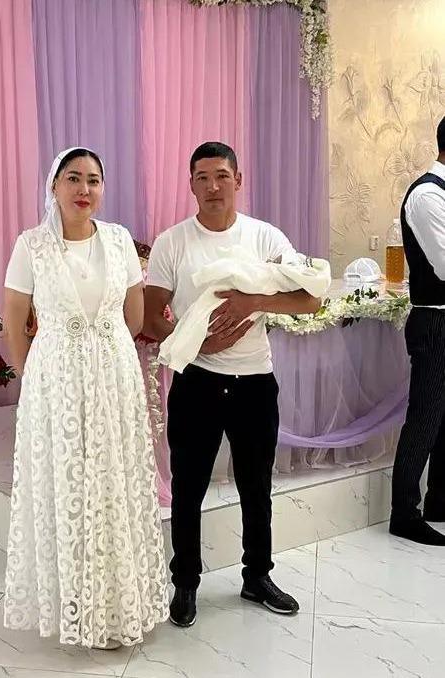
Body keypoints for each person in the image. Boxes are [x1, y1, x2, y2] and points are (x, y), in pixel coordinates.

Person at [143, 141, 321, 627]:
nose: (213, 186)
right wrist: (196, 342)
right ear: (191, 185)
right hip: (196, 381)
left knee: (256, 486)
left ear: (238, 180)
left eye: (222, 175)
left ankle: (257, 576)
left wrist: (251, 302)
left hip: (254, 382)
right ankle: (185, 583)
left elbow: (310, 300)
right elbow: (149, 316)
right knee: (188, 488)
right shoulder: (173, 243)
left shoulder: (264, 237)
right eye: (202, 177)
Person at [2, 147, 169, 649]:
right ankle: (75, 607)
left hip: (114, 379)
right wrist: (37, 378)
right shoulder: (31, 245)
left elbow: (133, 316)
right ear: (54, 187)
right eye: (73, 178)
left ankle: (117, 606)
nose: (84, 189)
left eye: (93, 180)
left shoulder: (118, 240)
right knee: (68, 485)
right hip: (55, 383)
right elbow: (14, 322)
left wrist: (103, 349)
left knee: (114, 482)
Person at [390, 116, 445, 546]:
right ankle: (403, 513)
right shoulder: (428, 195)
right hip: (435, 320)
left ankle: (439, 501)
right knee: (425, 417)